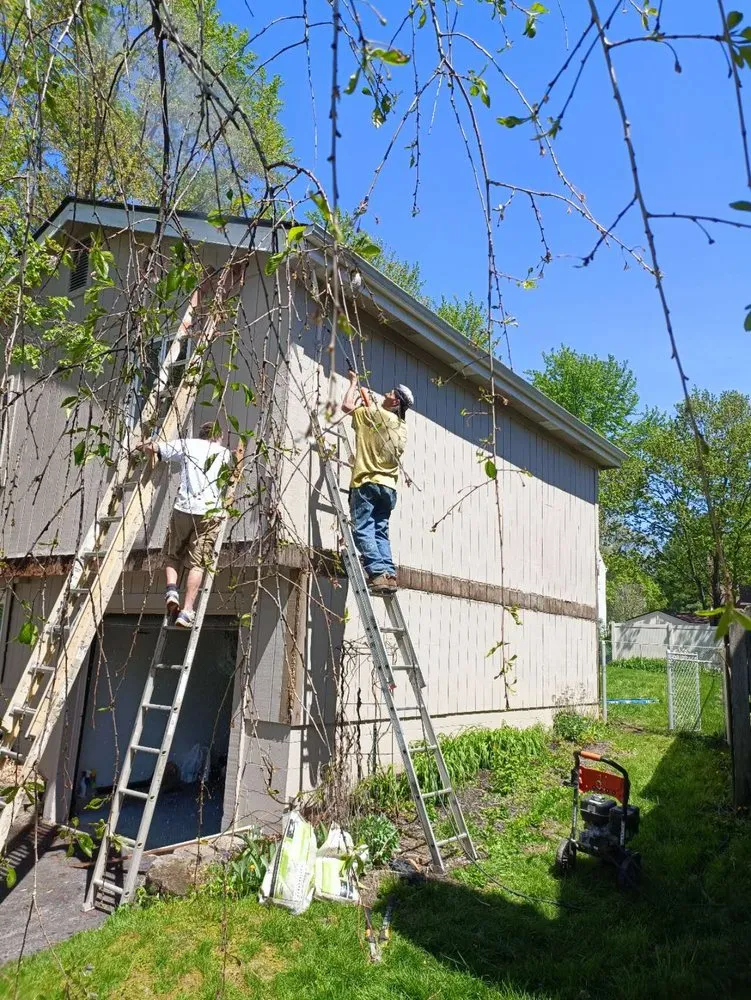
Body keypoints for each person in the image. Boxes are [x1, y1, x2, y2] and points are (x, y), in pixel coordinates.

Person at [137, 420, 234, 627]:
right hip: (210, 512)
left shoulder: (187, 444)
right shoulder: (225, 454)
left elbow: (155, 448)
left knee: (172, 555)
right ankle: (187, 611)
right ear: (219, 437)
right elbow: (232, 477)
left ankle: (171, 591)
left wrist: (143, 445)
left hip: (183, 509)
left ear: (201, 434)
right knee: (197, 563)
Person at [341, 370, 414, 594]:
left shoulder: (375, 415)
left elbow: (346, 406)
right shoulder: (402, 427)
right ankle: (389, 574)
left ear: (395, 401)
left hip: (367, 482)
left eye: (391, 392)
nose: (386, 392)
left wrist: (353, 383)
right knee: (380, 531)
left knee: (363, 529)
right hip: (389, 487)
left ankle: (377, 573)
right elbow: (377, 418)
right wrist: (368, 399)